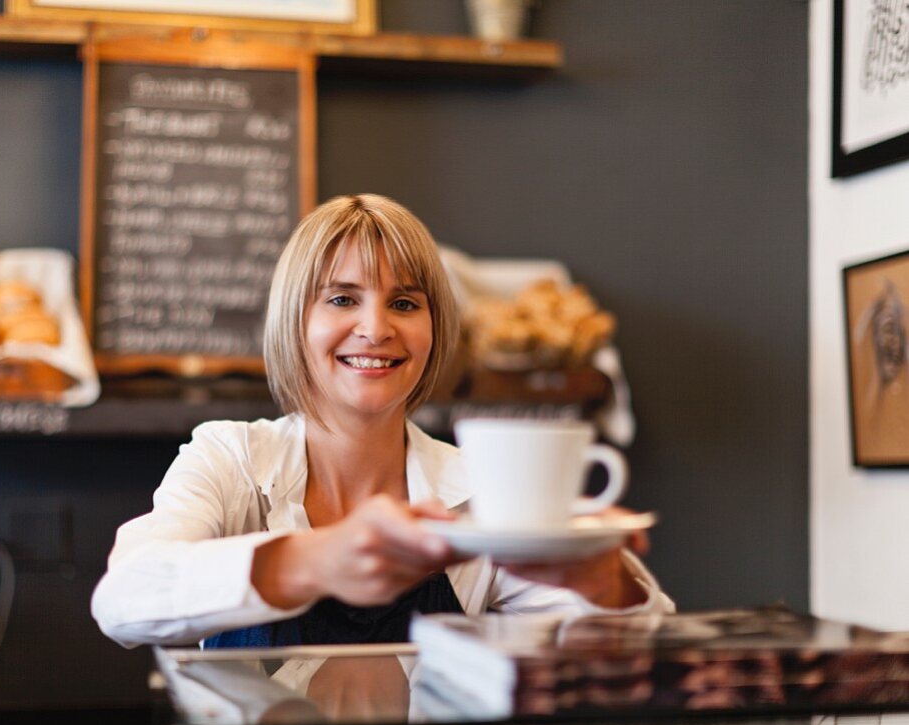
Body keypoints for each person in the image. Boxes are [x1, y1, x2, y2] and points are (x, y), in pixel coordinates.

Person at [91, 194, 672, 650]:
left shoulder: (476, 492)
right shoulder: (230, 458)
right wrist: (316, 559)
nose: (376, 328)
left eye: (404, 303)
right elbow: (124, 601)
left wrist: (604, 586)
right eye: (342, 299)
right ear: (296, 322)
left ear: (434, 328)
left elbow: (639, 642)